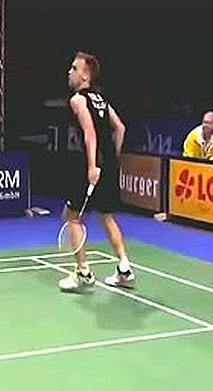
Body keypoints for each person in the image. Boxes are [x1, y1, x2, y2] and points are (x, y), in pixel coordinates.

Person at [58, 51, 134, 293]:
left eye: (74, 68)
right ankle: (124, 269)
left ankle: (83, 273)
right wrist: (112, 160)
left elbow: (89, 133)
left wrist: (92, 166)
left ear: (85, 75)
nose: (69, 72)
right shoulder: (101, 99)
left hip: (87, 167)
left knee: (72, 217)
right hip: (108, 166)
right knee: (106, 216)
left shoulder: (78, 100)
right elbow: (120, 128)